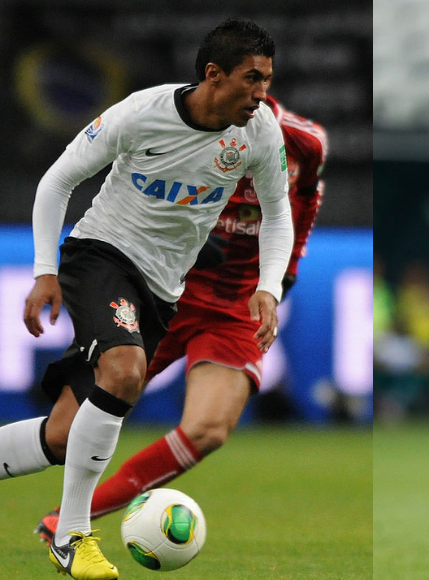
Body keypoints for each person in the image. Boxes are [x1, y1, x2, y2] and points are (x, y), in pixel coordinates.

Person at [0, 18, 292, 580]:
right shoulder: (142, 114)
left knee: (62, 434)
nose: (262, 93)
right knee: (125, 371)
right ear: (214, 75)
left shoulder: (260, 131)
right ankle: (72, 537)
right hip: (102, 256)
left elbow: (277, 213)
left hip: (162, 289)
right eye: (252, 79)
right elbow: (57, 181)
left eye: (267, 79)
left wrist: (268, 284)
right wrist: (46, 270)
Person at [32, 94, 326, 539]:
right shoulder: (179, 123)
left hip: (234, 306)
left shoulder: (303, 142)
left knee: (207, 429)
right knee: (64, 430)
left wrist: (281, 279)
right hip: (163, 292)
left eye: (259, 78)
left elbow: (297, 212)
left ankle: (74, 518)